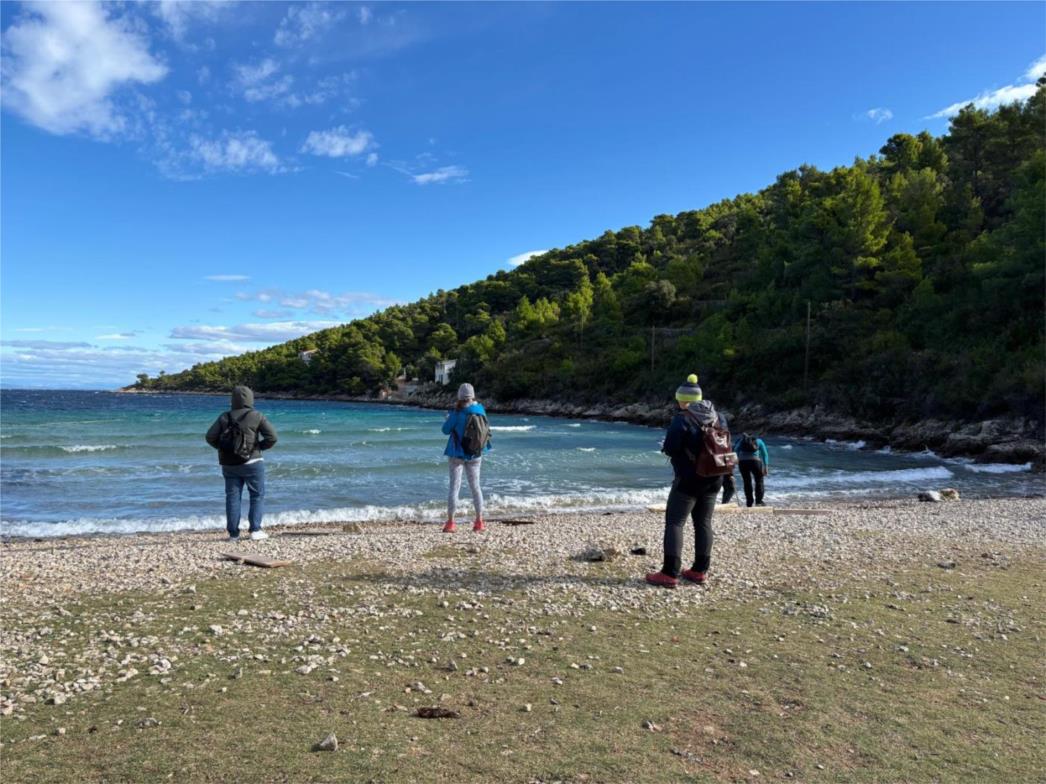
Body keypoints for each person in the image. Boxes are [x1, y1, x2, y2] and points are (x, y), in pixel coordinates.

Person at [646, 374, 724, 589]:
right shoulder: (719, 417)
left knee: (675, 523)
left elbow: (671, 448)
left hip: (689, 480)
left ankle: (669, 573)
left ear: (681, 399)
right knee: (704, 523)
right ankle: (699, 570)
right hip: (715, 477)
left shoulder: (682, 418)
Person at [205, 385, 278, 541]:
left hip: (229, 464)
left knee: (232, 497)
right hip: (253, 462)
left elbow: (210, 437)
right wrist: (258, 448)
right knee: (257, 495)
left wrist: (224, 448)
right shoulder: (256, 415)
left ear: (232, 400)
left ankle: (233, 534)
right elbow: (272, 437)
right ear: (251, 398)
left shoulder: (224, 416)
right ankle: (255, 531)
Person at [441, 382, 491, 533]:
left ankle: (450, 523)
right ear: (473, 395)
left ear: (460, 396)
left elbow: (445, 430)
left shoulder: (457, 413)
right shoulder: (480, 410)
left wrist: (448, 418)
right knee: (475, 487)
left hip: (457, 454)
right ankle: (479, 522)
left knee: (454, 488)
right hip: (476, 453)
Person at [734, 432, 769, 507]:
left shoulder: (741, 441)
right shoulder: (759, 441)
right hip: (755, 462)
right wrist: (766, 466)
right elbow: (764, 454)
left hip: (743, 462)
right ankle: (758, 502)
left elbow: (736, 450)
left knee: (747, 482)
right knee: (759, 481)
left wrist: (736, 460)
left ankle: (749, 503)